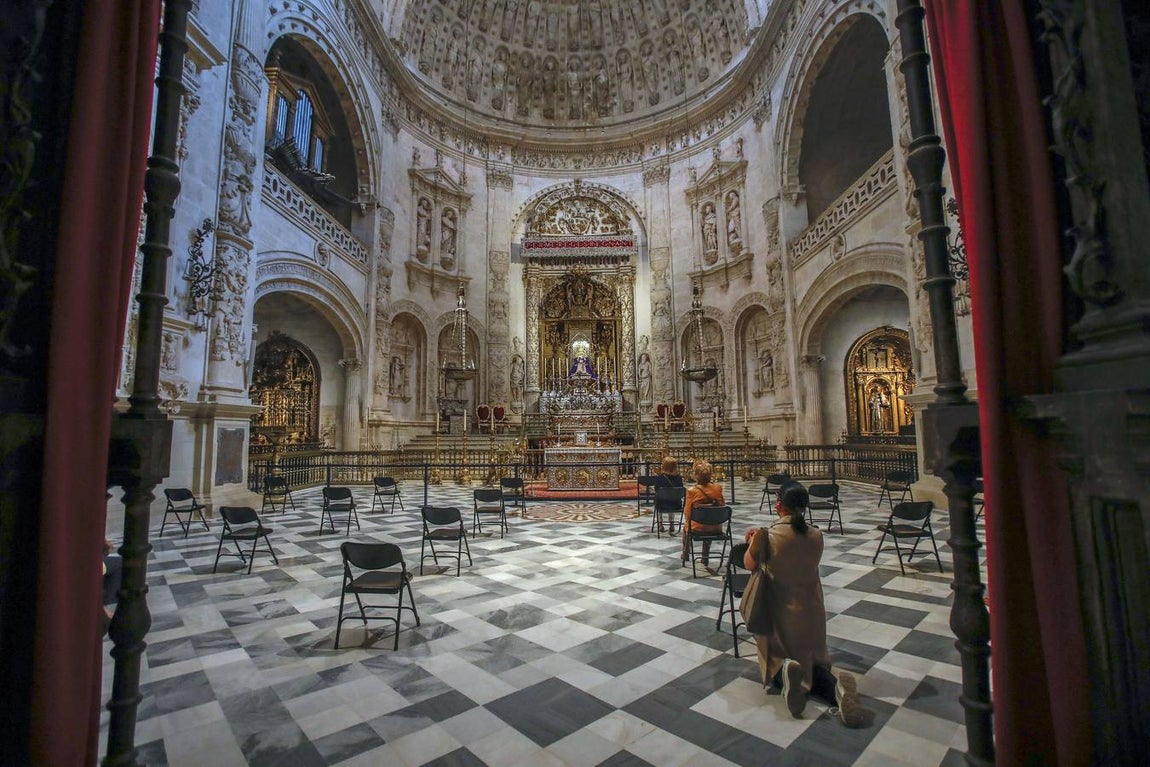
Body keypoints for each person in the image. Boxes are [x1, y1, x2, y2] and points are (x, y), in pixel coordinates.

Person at [743, 481, 863, 727]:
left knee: (774, 657)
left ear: (779, 505)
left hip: (779, 610)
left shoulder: (766, 536)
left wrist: (752, 541)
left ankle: (787, 678)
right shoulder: (816, 535)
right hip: (811, 610)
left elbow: (748, 564)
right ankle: (837, 691)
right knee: (814, 664)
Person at [681, 460, 725, 570]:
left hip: (698, 527)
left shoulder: (692, 491)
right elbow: (722, 506)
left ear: (695, 476)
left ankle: (685, 554)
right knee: (709, 519)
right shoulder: (718, 488)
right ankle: (705, 557)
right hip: (716, 527)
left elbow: (687, 514)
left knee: (686, 528)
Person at [652, 456, 684, 533]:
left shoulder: (659, 478)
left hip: (661, 505)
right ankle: (672, 524)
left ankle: (660, 523)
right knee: (672, 498)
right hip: (676, 505)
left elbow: (656, 490)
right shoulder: (679, 478)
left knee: (658, 498)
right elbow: (681, 492)